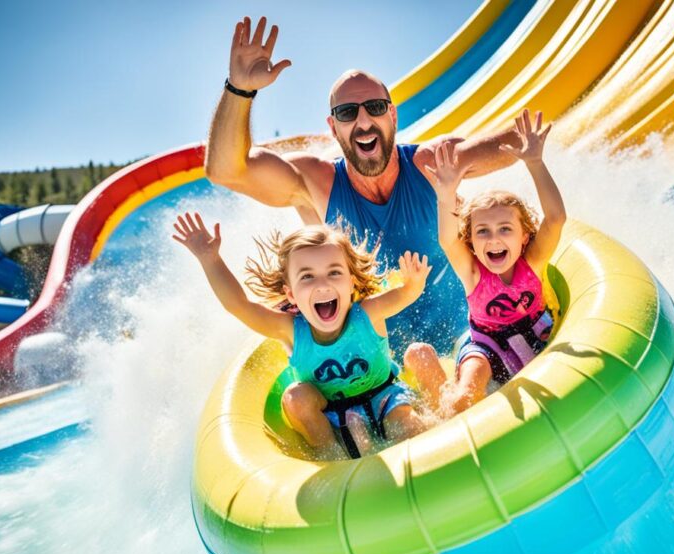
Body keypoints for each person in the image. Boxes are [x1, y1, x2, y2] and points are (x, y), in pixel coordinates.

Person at [205, 16, 525, 353]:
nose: (363, 121)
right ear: (333, 128)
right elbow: (226, 171)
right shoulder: (315, 183)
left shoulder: (431, 164)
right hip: (377, 371)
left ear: (393, 116)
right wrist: (240, 90)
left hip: (474, 336)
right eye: (346, 113)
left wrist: (527, 138)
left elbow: (508, 146)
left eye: (374, 108)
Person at [172, 212, 434, 459]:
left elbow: (405, 295)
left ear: (351, 282)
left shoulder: (368, 313)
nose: (322, 284)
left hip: (385, 395)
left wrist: (414, 283)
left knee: (406, 426)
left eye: (334, 272)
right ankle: (332, 456)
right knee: (296, 398)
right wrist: (210, 259)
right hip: (332, 412)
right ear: (291, 294)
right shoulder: (290, 331)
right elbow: (238, 306)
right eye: (307, 277)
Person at [405, 110, 567, 415]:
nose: (493, 239)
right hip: (486, 346)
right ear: (472, 242)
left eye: (505, 229)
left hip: (534, 334)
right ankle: (449, 421)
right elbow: (448, 240)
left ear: (523, 236)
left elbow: (556, 218)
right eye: (483, 232)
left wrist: (535, 163)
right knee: (467, 392)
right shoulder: (473, 273)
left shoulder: (532, 260)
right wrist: (446, 193)